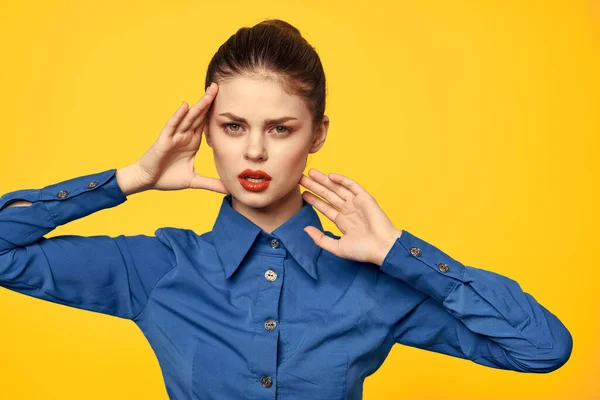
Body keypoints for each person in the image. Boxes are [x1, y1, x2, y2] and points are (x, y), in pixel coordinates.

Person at [0, 19, 572, 400]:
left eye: (280, 128)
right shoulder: (160, 269)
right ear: (206, 132)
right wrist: (132, 178)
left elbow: (543, 350)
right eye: (232, 126)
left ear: (317, 134)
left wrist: (401, 252)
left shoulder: (373, 284)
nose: (254, 150)